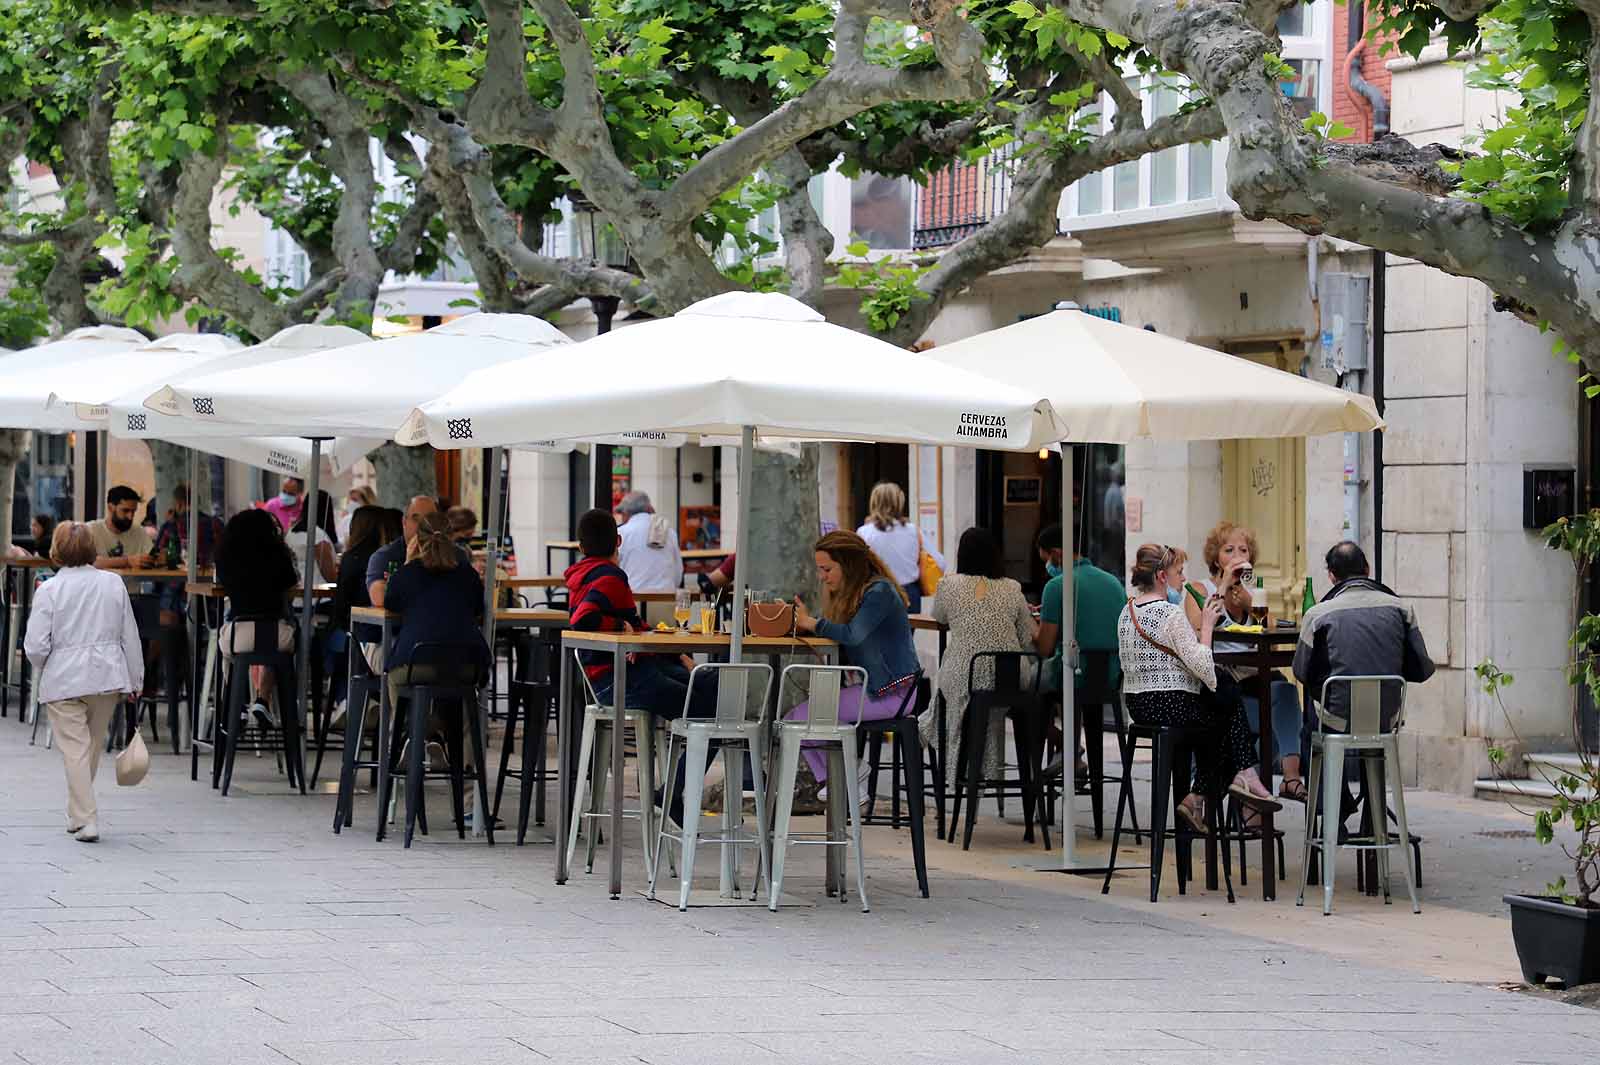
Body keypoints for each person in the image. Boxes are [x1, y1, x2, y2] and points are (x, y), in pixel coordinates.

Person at [566, 507, 715, 821]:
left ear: (580, 548)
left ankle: (672, 790)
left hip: (625, 675)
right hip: (621, 682)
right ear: (618, 541)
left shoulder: (583, 576)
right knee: (713, 713)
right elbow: (583, 621)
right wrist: (622, 629)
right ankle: (672, 790)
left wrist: (677, 653)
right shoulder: (609, 577)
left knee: (710, 684)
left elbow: (634, 623)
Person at [1118, 543, 1280, 832]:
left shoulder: (1126, 612)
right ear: (1161, 576)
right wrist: (1206, 627)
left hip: (1138, 707)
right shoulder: (1169, 614)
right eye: (1178, 572)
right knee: (1226, 706)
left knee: (1224, 701)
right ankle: (1224, 783)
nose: (1183, 579)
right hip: (1172, 707)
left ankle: (1210, 791)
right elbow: (1205, 670)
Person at [1293, 541, 1435, 831]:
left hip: (1339, 721)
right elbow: (1422, 669)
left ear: (1331, 576)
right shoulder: (1401, 609)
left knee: (1312, 721)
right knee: (1370, 729)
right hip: (1386, 721)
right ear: (1367, 569)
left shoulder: (1318, 615)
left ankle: (1331, 813)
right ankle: (1374, 818)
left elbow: (1301, 672)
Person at [24, 522, 143, 843]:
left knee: (76, 750)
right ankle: (78, 813)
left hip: (64, 678)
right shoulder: (113, 584)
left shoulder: (48, 590)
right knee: (89, 749)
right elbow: (129, 635)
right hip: (106, 676)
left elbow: (35, 645)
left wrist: (46, 665)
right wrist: (136, 678)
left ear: (57, 551)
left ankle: (86, 818)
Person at [790, 530, 920, 802]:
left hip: (893, 694)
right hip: (876, 690)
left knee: (801, 717)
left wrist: (811, 623)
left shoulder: (880, 591)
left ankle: (851, 772)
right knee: (795, 720)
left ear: (848, 565)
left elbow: (853, 634)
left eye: (827, 569)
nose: (822, 576)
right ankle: (842, 779)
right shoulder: (859, 593)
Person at [921, 527, 1036, 788]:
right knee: (985, 706)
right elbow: (1025, 636)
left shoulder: (947, 585)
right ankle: (986, 768)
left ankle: (957, 765)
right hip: (1011, 677)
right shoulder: (1012, 587)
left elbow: (939, 618)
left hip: (965, 674)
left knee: (947, 697)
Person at [1201, 520, 1307, 801]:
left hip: (1256, 683)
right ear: (1215, 556)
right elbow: (1199, 629)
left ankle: (1291, 778)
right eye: (1229, 550)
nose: (1238, 556)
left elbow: (1269, 628)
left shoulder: (1251, 593)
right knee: (1272, 705)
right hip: (1224, 691)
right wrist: (1224, 584)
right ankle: (1251, 800)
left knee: (1285, 689)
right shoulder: (1198, 589)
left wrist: (1250, 603)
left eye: (1243, 550)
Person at [383, 511, 491, 745]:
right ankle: (462, 763)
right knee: (462, 693)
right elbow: (476, 609)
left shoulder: (406, 574)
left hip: (416, 661)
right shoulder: (468, 575)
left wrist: (408, 562)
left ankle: (408, 739)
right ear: (452, 539)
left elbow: (390, 602)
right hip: (468, 663)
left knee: (393, 678)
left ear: (417, 540)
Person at [1035, 522, 1125, 779]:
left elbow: (1044, 647)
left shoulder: (1057, 587)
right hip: (1109, 678)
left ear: (1056, 554)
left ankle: (1062, 751)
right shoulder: (1113, 584)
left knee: (1027, 691)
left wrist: (1033, 625)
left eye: (1046, 559)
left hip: (1073, 678)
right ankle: (1070, 751)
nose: (1047, 567)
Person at [216, 509, 297, 729]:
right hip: (276, 634)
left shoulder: (226, 556)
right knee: (273, 654)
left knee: (229, 656)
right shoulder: (279, 555)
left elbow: (222, 585)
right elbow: (291, 585)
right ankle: (263, 698)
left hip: (238, 635)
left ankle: (237, 703)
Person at [855, 482, 941, 613]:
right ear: (899, 503)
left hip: (876, 593)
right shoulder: (913, 531)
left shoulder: (864, 533)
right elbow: (940, 562)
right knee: (905, 633)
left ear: (874, 503)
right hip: (909, 594)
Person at [615, 491, 682, 593]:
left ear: (625, 513)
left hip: (633, 600)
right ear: (649, 508)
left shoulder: (621, 533)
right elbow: (678, 575)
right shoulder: (669, 531)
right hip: (667, 599)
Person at [152, 484, 222, 571]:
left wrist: (169, 523)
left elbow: (156, 556)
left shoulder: (170, 526)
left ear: (179, 504)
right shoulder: (215, 523)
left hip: (177, 580)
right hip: (209, 578)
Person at [88, 485, 155, 570]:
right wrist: (127, 561)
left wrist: (158, 559)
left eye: (133, 511)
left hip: (131, 583)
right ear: (110, 508)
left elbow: (150, 557)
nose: (130, 516)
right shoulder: (91, 530)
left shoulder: (139, 532)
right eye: (125, 511)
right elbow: (91, 562)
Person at [289, 489, 339, 584]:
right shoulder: (317, 536)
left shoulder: (292, 530)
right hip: (317, 593)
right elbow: (330, 576)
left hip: (297, 592)